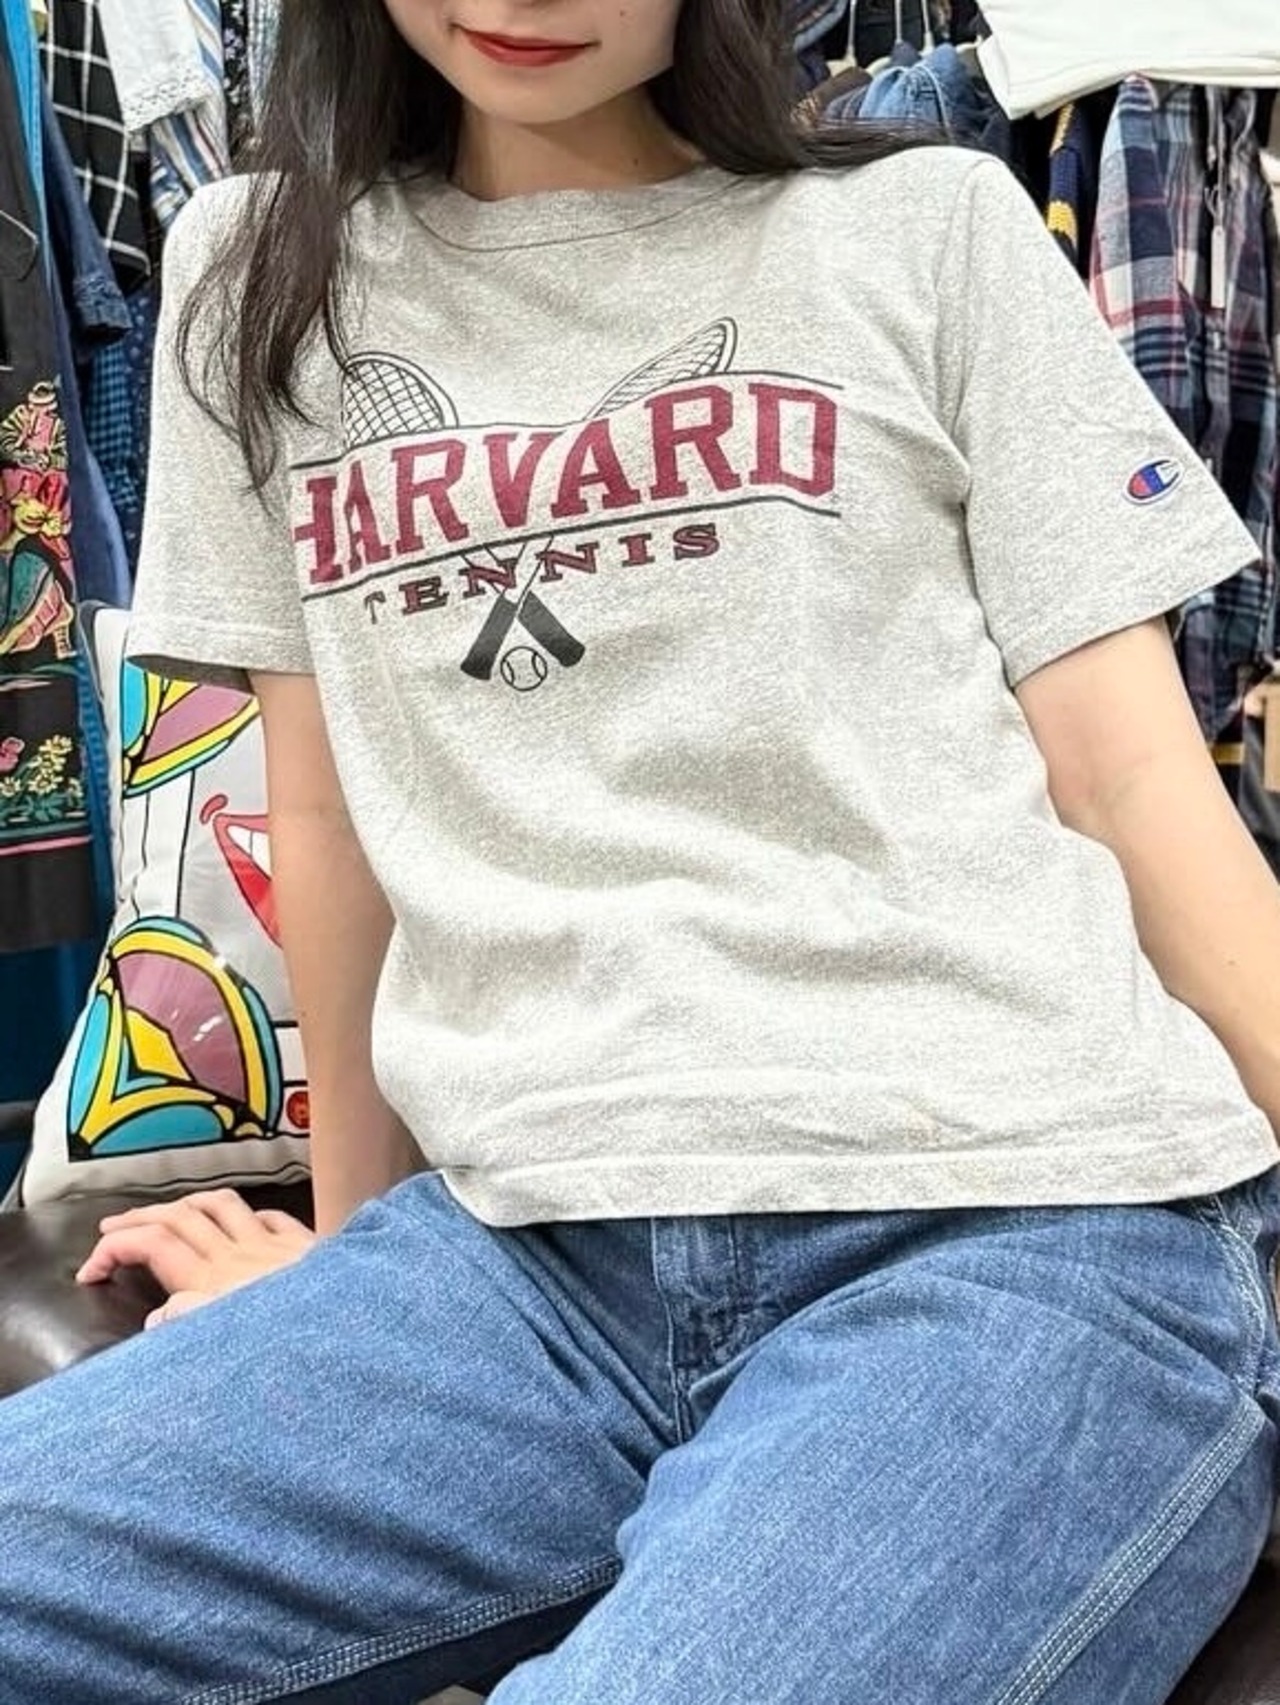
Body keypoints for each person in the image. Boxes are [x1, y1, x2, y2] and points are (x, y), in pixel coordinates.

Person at [3, 1, 1280, 1699]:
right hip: (515, 1277)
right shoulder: (255, 277)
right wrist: (346, 1256)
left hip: (1016, 1225)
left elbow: (1132, 783)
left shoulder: (929, 223)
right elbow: (330, 824)